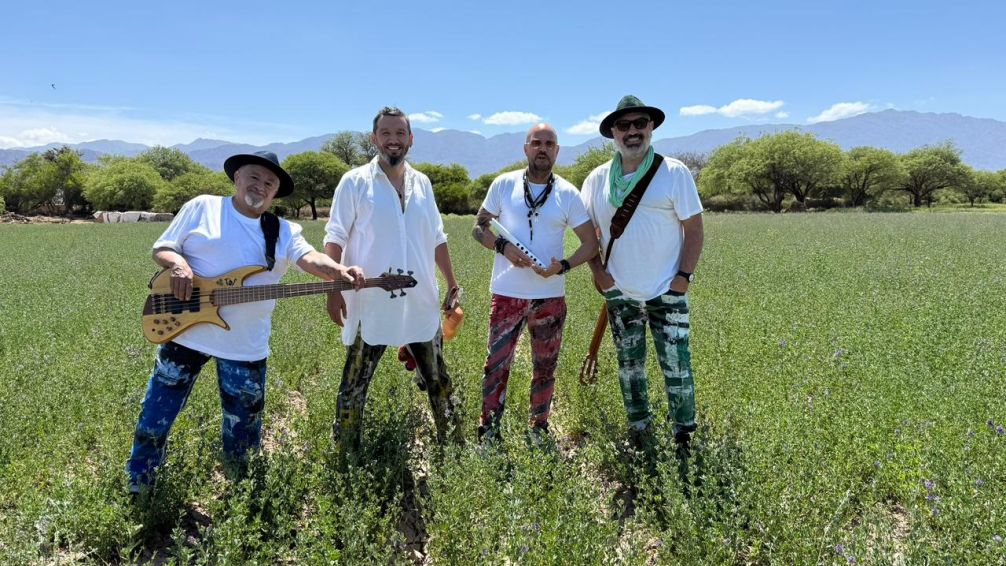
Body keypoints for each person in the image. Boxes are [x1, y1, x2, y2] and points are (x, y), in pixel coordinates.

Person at [126, 151, 363, 493]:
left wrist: (339, 271)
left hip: (244, 345)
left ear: (275, 193)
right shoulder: (202, 207)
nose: (260, 186)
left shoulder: (282, 231)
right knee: (155, 417)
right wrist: (178, 265)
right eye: (254, 177)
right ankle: (139, 487)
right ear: (237, 178)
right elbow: (163, 247)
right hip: (183, 334)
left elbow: (310, 257)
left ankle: (241, 495)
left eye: (269, 183)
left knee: (244, 432)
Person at [324, 107, 464, 459]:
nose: (393, 140)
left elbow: (437, 236)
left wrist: (451, 283)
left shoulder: (423, 184)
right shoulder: (355, 182)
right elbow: (335, 236)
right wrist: (333, 287)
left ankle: (455, 451)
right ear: (374, 139)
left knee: (438, 378)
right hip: (370, 299)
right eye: (386, 133)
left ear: (410, 139)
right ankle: (346, 454)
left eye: (400, 133)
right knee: (355, 383)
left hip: (420, 298)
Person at [580, 95, 705, 454]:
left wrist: (683, 278)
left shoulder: (674, 172)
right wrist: (599, 274)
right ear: (613, 132)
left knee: (677, 366)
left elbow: (694, 229)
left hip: (668, 290)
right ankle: (640, 431)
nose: (632, 131)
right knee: (629, 367)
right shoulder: (597, 180)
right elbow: (587, 236)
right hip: (620, 293)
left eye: (640, 123)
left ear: (651, 127)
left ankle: (684, 435)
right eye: (624, 125)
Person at [471, 123, 597, 442]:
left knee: (545, 366)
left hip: (549, 297)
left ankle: (538, 428)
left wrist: (562, 266)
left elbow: (590, 244)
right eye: (536, 142)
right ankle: (489, 431)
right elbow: (478, 228)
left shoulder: (568, 193)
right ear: (525, 148)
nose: (543, 148)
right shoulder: (503, 185)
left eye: (549, 143)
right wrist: (502, 247)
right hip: (506, 294)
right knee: (496, 365)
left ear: (557, 151)